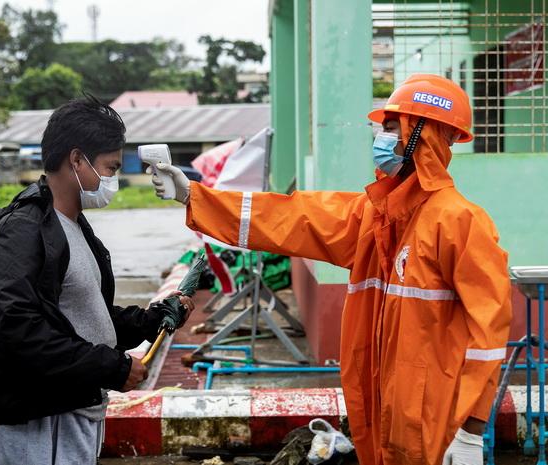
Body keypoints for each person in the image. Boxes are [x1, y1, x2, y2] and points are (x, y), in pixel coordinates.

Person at [150, 74, 512, 465]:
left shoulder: (461, 223)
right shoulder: (375, 216)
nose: (381, 137)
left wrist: (470, 431)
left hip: (437, 421)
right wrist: (193, 195)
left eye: (392, 127)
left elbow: (488, 335)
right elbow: (289, 217)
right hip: (381, 411)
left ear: (422, 135)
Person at [0, 95, 194, 465]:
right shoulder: (22, 232)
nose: (113, 179)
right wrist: (111, 367)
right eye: (110, 168)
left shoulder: (75, 229)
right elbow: (21, 329)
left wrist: (150, 319)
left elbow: (84, 314)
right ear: (77, 159)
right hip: (41, 413)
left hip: (75, 406)